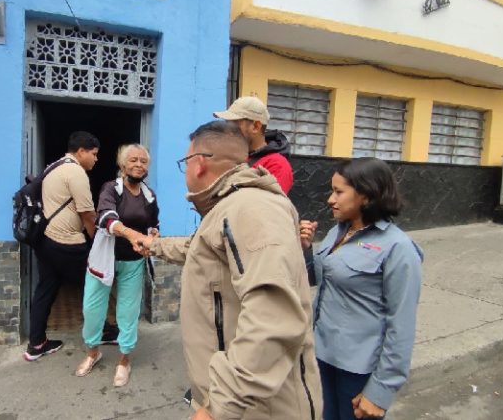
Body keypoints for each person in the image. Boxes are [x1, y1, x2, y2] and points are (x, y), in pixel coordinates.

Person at [135, 121, 322, 420]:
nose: (185, 171)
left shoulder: (251, 208)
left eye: (185, 163)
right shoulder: (228, 207)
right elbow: (198, 248)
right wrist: (153, 245)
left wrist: (219, 407)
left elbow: (273, 317)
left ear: (198, 163)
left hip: (259, 409)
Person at [300, 157, 423, 420]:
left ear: (365, 196)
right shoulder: (337, 232)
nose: (330, 199)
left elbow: (401, 324)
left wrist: (381, 391)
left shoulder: (398, 248)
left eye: (338, 192)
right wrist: (306, 249)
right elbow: (321, 279)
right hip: (322, 355)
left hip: (358, 369)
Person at [75, 144, 159, 387]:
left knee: (128, 312)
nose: (139, 164)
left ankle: (124, 360)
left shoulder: (149, 195)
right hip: (104, 259)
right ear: (123, 164)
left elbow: (153, 224)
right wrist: (131, 234)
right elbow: (104, 217)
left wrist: (153, 235)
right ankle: (93, 352)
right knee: (92, 309)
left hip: (133, 262)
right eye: (133, 160)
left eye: (143, 161)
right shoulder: (111, 188)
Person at [24, 131, 101, 361]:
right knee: (95, 285)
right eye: (94, 154)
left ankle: (36, 344)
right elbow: (88, 214)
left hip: (45, 240)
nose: (96, 159)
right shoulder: (75, 172)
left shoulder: (53, 167)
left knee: (45, 289)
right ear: (81, 151)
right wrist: (96, 243)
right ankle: (103, 331)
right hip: (67, 242)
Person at [213, 96, 294, 194]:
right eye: (227, 125)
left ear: (256, 126)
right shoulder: (232, 158)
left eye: (235, 126)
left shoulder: (276, 165)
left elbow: (267, 202)